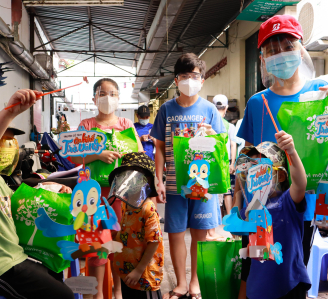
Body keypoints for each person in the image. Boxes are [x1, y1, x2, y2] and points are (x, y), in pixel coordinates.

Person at [235, 15, 328, 299]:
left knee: (292, 269)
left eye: (286, 46)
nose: (280, 55)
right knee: (253, 266)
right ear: (263, 58)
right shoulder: (257, 102)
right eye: (272, 50)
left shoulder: (320, 93)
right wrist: (239, 203)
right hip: (261, 204)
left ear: (300, 50)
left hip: (302, 204)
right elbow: (246, 159)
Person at [0, 90, 75, 299]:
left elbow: (21, 204)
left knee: (56, 275)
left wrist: (52, 188)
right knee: (63, 296)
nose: (5, 147)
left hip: (13, 259)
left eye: (8, 141)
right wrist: (10, 113)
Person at [151, 53, 226, 299]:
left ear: (202, 80)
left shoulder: (210, 110)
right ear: (176, 80)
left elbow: (222, 148)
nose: (190, 80)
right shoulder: (166, 110)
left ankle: (195, 283)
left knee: (200, 233)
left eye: (195, 76)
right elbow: (159, 147)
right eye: (185, 76)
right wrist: (158, 179)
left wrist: (214, 134)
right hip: (174, 184)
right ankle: (180, 283)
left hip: (203, 186)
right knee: (174, 233)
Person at [71, 78, 144, 299]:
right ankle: (96, 295)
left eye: (112, 94)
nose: (108, 98)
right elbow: (74, 157)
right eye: (102, 93)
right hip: (92, 198)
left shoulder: (126, 125)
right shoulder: (86, 126)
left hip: (121, 195)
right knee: (95, 246)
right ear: (94, 98)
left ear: (119, 99)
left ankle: (117, 291)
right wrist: (98, 155)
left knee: (119, 244)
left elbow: (140, 156)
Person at [234, 133, 309, 299]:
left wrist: (292, 152)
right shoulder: (251, 208)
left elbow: (300, 183)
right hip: (257, 288)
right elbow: (236, 228)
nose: (255, 177)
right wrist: (237, 193)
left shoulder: (287, 202)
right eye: (251, 173)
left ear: (280, 175)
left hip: (289, 285)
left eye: (261, 171)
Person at [109, 152, 163, 299]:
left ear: (147, 181)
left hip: (144, 276)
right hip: (127, 272)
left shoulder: (148, 208)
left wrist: (139, 270)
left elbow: (154, 241)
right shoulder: (126, 205)